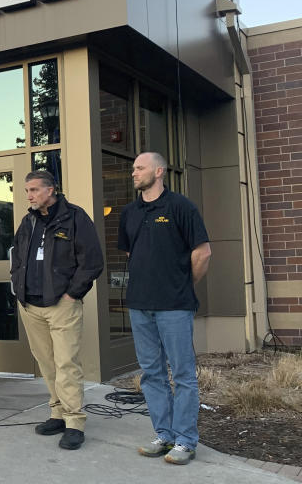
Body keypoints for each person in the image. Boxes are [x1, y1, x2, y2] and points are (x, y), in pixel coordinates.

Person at [118, 152, 211, 466]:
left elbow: (202, 253)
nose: (134, 173)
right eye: (133, 168)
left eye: (140, 168)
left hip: (174, 306)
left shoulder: (181, 207)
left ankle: (186, 441)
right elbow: (134, 253)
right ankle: (165, 435)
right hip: (140, 306)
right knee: (152, 374)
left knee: (183, 375)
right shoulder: (129, 212)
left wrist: (183, 286)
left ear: (159, 171)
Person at [10, 171, 104, 450]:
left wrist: (72, 294)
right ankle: (57, 413)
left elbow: (92, 261)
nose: (29, 195)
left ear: (51, 190)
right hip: (31, 305)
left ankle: (75, 422)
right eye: (27, 190)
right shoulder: (28, 221)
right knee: (47, 364)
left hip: (62, 304)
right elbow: (17, 255)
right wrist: (18, 286)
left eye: (34, 190)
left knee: (66, 364)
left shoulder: (74, 217)